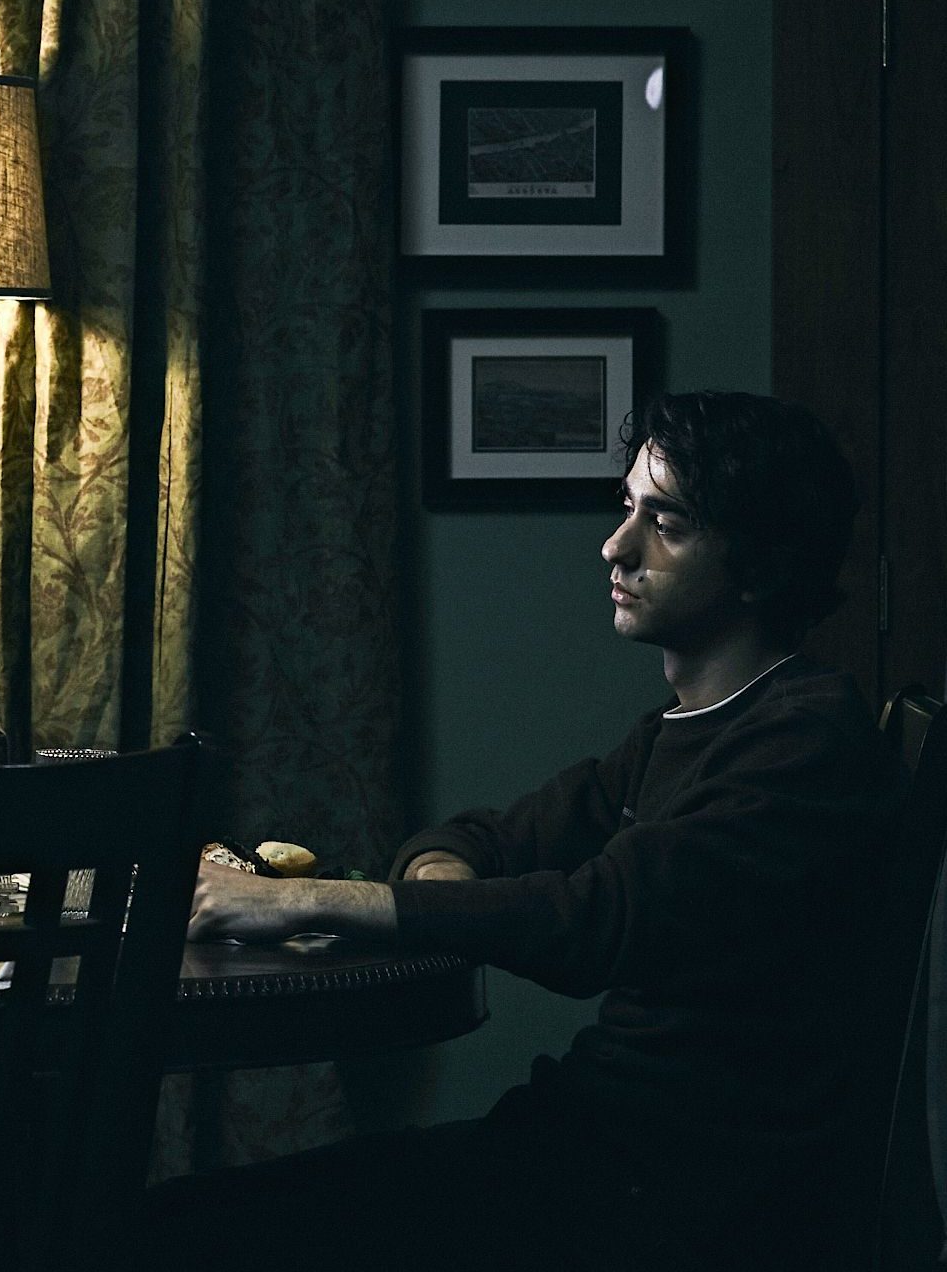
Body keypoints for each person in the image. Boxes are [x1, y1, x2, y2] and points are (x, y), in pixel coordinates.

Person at [142, 391, 897, 1271]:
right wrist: (443, 887)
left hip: (669, 1194)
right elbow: (480, 838)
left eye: (665, 524)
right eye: (626, 508)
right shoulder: (678, 729)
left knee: (180, 1235)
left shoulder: (803, 741)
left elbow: (590, 922)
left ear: (758, 566)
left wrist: (301, 902)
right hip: (586, 1147)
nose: (616, 547)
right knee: (176, 1221)